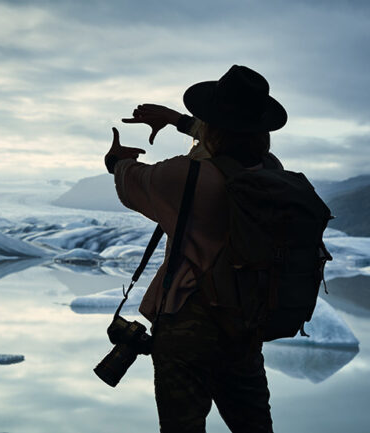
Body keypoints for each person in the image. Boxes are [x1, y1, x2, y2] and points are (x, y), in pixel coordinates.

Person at [104, 65, 287, 433]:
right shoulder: (272, 172)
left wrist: (116, 158)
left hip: (188, 326)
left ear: (212, 125)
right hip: (243, 328)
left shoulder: (183, 176)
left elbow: (129, 181)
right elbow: (228, 150)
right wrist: (177, 121)